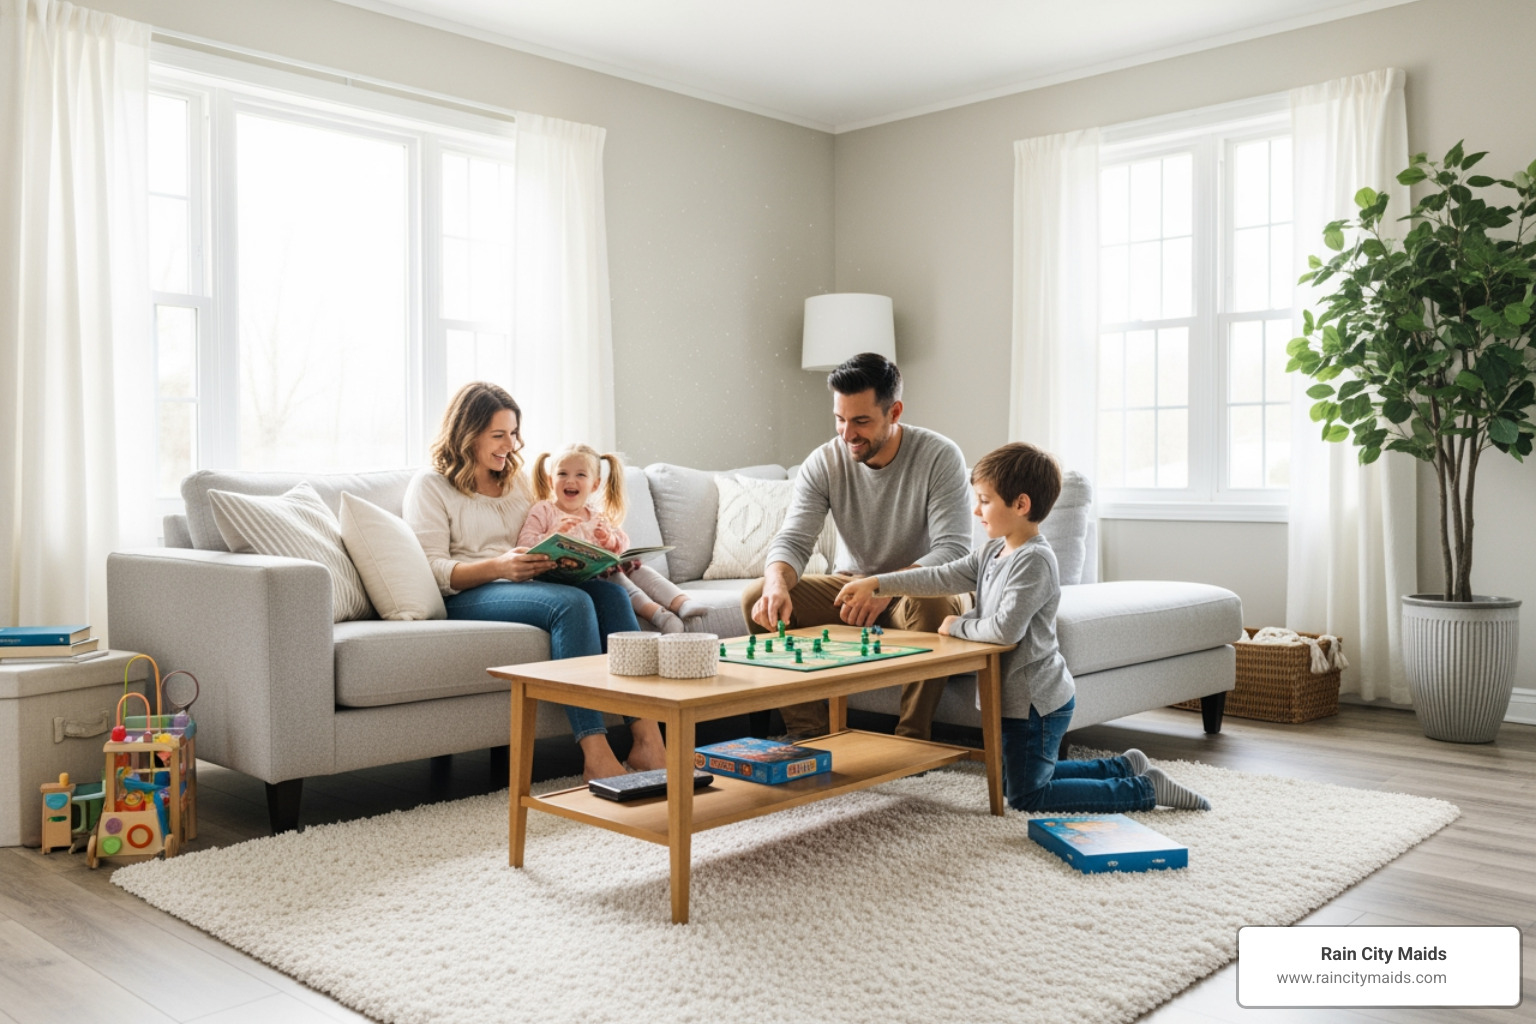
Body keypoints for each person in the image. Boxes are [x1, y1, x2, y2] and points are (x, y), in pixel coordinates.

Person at [835, 442, 1212, 812]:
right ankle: (1123, 766)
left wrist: (957, 624)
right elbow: (942, 576)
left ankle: (1142, 789)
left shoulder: (1035, 561)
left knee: (1026, 795)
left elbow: (1004, 630)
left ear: (1021, 505)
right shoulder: (992, 551)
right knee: (1020, 779)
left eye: (984, 500)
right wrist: (879, 583)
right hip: (1013, 699)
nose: (975, 508)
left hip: (1036, 703)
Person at [403, 382, 665, 781]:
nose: (510, 444)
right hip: (468, 592)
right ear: (466, 433)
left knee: (611, 596)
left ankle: (648, 741)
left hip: (526, 582)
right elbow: (433, 569)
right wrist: (499, 567)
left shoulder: (518, 481)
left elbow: (550, 526)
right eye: (498, 435)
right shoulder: (431, 485)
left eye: (513, 433)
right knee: (571, 604)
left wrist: (590, 552)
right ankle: (595, 751)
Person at [742, 352, 973, 742]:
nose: (847, 433)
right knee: (758, 598)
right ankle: (812, 736)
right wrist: (775, 583)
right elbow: (795, 539)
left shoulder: (939, 455)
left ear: (894, 411)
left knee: (933, 602)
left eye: (861, 421)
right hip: (852, 590)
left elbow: (953, 551)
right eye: (840, 419)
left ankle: (911, 740)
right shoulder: (824, 462)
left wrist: (885, 586)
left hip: (922, 590)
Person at [519, 443, 708, 633]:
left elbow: (622, 544)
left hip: (600, 571)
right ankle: (661, 616)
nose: (570, 481)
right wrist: (552, 534)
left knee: (638, 570)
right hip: (566, 578)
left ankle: (681, 602)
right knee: (618, 579)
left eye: (580, 475)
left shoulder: (594, 514)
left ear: (594, 485)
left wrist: (609, 540)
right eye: (562, 474)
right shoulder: (544, 510)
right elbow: (524, 545)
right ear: (551, 481)